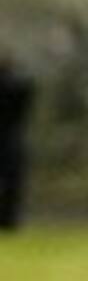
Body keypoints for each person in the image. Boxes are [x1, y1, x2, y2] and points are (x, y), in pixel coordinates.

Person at [0, 55, 34, 231]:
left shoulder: (15, 88)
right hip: (12, 140)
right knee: (13, 184)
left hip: (10, 138)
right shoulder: (18, 87)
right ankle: (8, 220)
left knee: (12, 183)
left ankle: (8, 219)